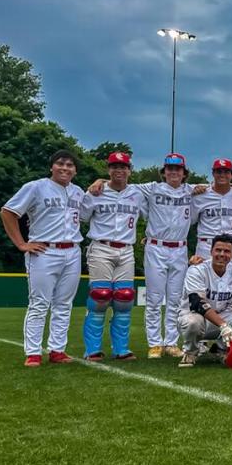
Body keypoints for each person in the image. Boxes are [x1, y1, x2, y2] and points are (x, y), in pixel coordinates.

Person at [89, 152, 195, 358]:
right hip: (156, 247)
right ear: (164, 172)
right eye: (170, 169)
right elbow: (118, 182)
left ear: (184, 173)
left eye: (178, 169)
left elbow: (220, 187)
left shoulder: (192, 190)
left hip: (180, 249)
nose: (173, 172)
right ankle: (155, 343)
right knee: (155, 298)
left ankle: (171, 342)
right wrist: (99, 180)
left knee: (175, 299)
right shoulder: (151, 188)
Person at [1, 150, 86, 366]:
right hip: (44, 250)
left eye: (70, 165)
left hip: (72, 250)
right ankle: (33, 352)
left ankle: (57, 350)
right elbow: (8, 212)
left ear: (75, 170)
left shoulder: (78, 192)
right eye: (60, 163)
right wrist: (21, 243)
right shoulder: (36, 187)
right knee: (39, 304)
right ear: (52, 167)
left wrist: (101, 180)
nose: (65, 168)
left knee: (64, 304)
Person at [79, 152, 145, 361]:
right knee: (100, 297)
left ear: (130, 170)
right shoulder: (95, 192)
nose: (119, 170)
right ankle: (92, 349)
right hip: (101, 247)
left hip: (126, 249)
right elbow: (80, 217)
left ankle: (121, 349)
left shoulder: (138, 193)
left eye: (123, 167)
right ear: (108, 170)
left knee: (124, 299)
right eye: (115, 166)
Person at [177, 234, 232, 368]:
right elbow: (197, 303)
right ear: (211, 251)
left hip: (221, 316)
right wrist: (223, 325)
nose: (222, 254)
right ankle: (191, 352)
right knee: (193, 322)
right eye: (218, 250)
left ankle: (221, 348)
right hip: (197, 317)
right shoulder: (196, 270)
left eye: (227, 251)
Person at [192, 158, 232, 261]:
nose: (222, 175)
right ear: (213, 173)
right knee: (205, 277)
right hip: (206, 246)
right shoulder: (201, 194)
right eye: (218, 171)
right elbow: (192, 219)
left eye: (226, 172)